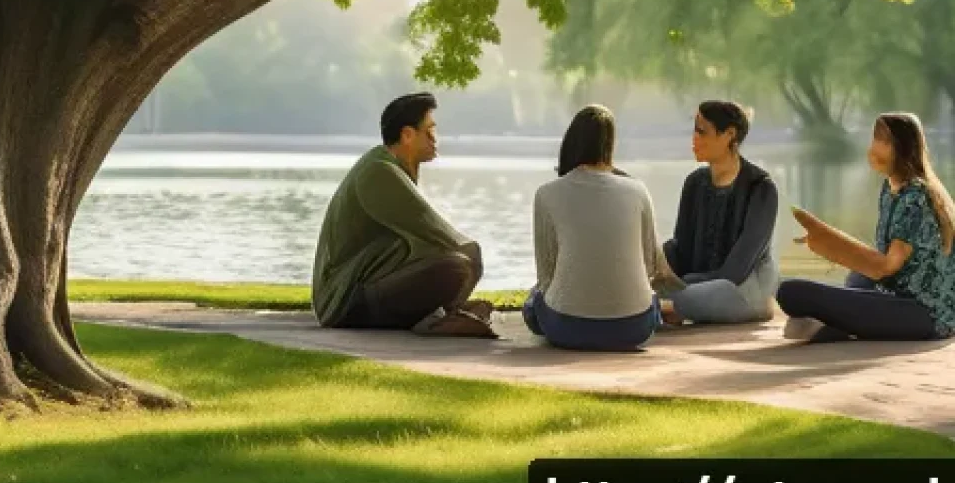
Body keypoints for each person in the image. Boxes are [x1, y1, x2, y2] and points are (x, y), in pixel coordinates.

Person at [312, 93, 495, 337]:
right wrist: (472, 258)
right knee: (457, 267)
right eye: (429, 131)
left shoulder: (387, 166)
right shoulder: (380, 171)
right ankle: (439, 319)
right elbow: (436, 231)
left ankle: (446, 312)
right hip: (344, 301)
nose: (435, 138)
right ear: (407, 135)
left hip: (359, 290)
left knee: (456, 263)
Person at [776, 112, 955, 343]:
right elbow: (881, 261)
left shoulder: (915, 196)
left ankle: (839, 325)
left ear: (904, 147)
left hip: (924, 313)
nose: (875, 148)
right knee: (857, 279)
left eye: (885, 141)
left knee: (791, 292)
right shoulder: (891, 189)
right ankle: (843, 324)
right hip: (897, 291)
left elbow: (886, 266)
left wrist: (828, 243)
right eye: (875, 139)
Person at [522, 105, 683, 351]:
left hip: (567, 328)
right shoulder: (638, 190)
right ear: (610, 145)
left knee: (532, 306)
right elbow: (651, 265)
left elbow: (546, 274)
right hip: (635, 328)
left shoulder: (547, 194)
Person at [660, 101, 779, 325]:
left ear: (729, 135)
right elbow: (682, 248)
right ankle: (668, 306)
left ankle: (673, 307)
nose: (694, 138)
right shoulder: (694, 183)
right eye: (694, 130)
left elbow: (736, 271)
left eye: (702, 131)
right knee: (647, 282)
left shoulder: (761, 187)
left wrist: (682, 284)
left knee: (682, 298)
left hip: (742, 289)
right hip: (698, 286)